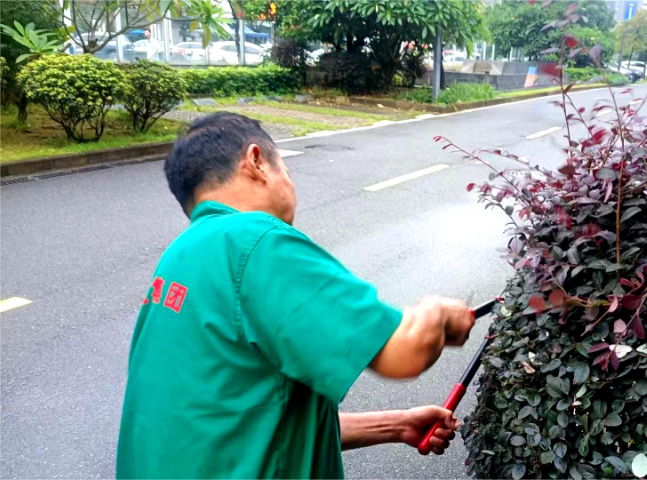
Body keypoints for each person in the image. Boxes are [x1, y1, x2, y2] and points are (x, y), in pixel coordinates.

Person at [116, 112, 477, 478]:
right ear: (256, 161)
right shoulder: (253, 241)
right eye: (285, 167)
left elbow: (245, 423)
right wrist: (440, 313)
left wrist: (396, 426)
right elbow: (405, 353)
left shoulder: (179, 258)